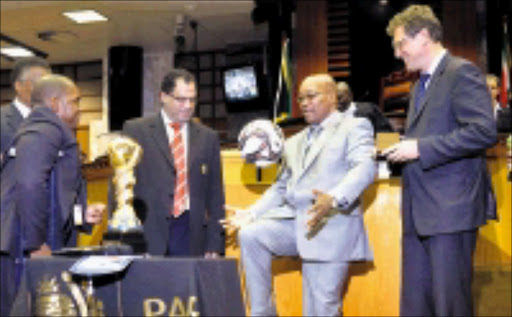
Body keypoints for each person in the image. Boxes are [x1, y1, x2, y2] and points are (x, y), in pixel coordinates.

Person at [222, 74, 375, 316]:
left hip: (330, 225)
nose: (304, 103)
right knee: (251, 234)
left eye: (311, 96)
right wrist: (251, 213)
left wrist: (333, 198)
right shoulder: (293, 142)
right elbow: (280, 188)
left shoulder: (355, 126)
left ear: (333, 97)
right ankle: (262, 312)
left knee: (320, 308)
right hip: (294, 224)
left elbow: (365, 168)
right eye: (301, 98)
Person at [383, 5, 497, 316]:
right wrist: (397, 151)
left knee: (450, 306)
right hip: (420, 212)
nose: (398, 53)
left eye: (401, 43)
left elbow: (484, 131)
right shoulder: (420, 84)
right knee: (417, 305)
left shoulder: (461, 73)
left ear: (423, 36)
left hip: (450, 212)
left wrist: (421, 148)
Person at [0, 74, 105, 316]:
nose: (79, 109)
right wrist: (35, 243)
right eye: (75, 101)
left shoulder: (45, 128)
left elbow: (52, 192)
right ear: (56, 103)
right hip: (27, 246)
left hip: (32, 240)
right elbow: (28, 184)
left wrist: (81, 214)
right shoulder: (43, 129)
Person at [121, 68, 225, 257]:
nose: (188, 106)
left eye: (192, 99)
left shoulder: (208, 138)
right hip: (148, 230)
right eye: (181, 99)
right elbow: (121, 184)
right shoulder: (136, 130)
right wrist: (122, 235)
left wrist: (215, 243)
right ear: (163, 97)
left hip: (190, 231)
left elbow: (216, 194)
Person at [0, 57, 51, 163]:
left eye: (48, 85)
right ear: (18, 85)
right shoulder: (2, 119)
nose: (44, 90)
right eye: (38, 84)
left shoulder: (55, 120)